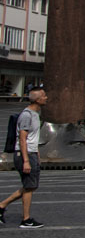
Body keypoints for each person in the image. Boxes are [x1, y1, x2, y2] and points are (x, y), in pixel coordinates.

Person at [0, 85, 47, 228]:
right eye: (44, 96)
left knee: (30, 186)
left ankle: (2, 206)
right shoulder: (26, 115)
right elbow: (22, 138)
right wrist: (26, 160)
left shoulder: (35, 114)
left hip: (31, 153)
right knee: (29, 187)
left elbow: (33, 138)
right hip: (24, 155)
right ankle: (25, 219)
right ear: (38, 100)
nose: (46, 98)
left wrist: (36, 153)